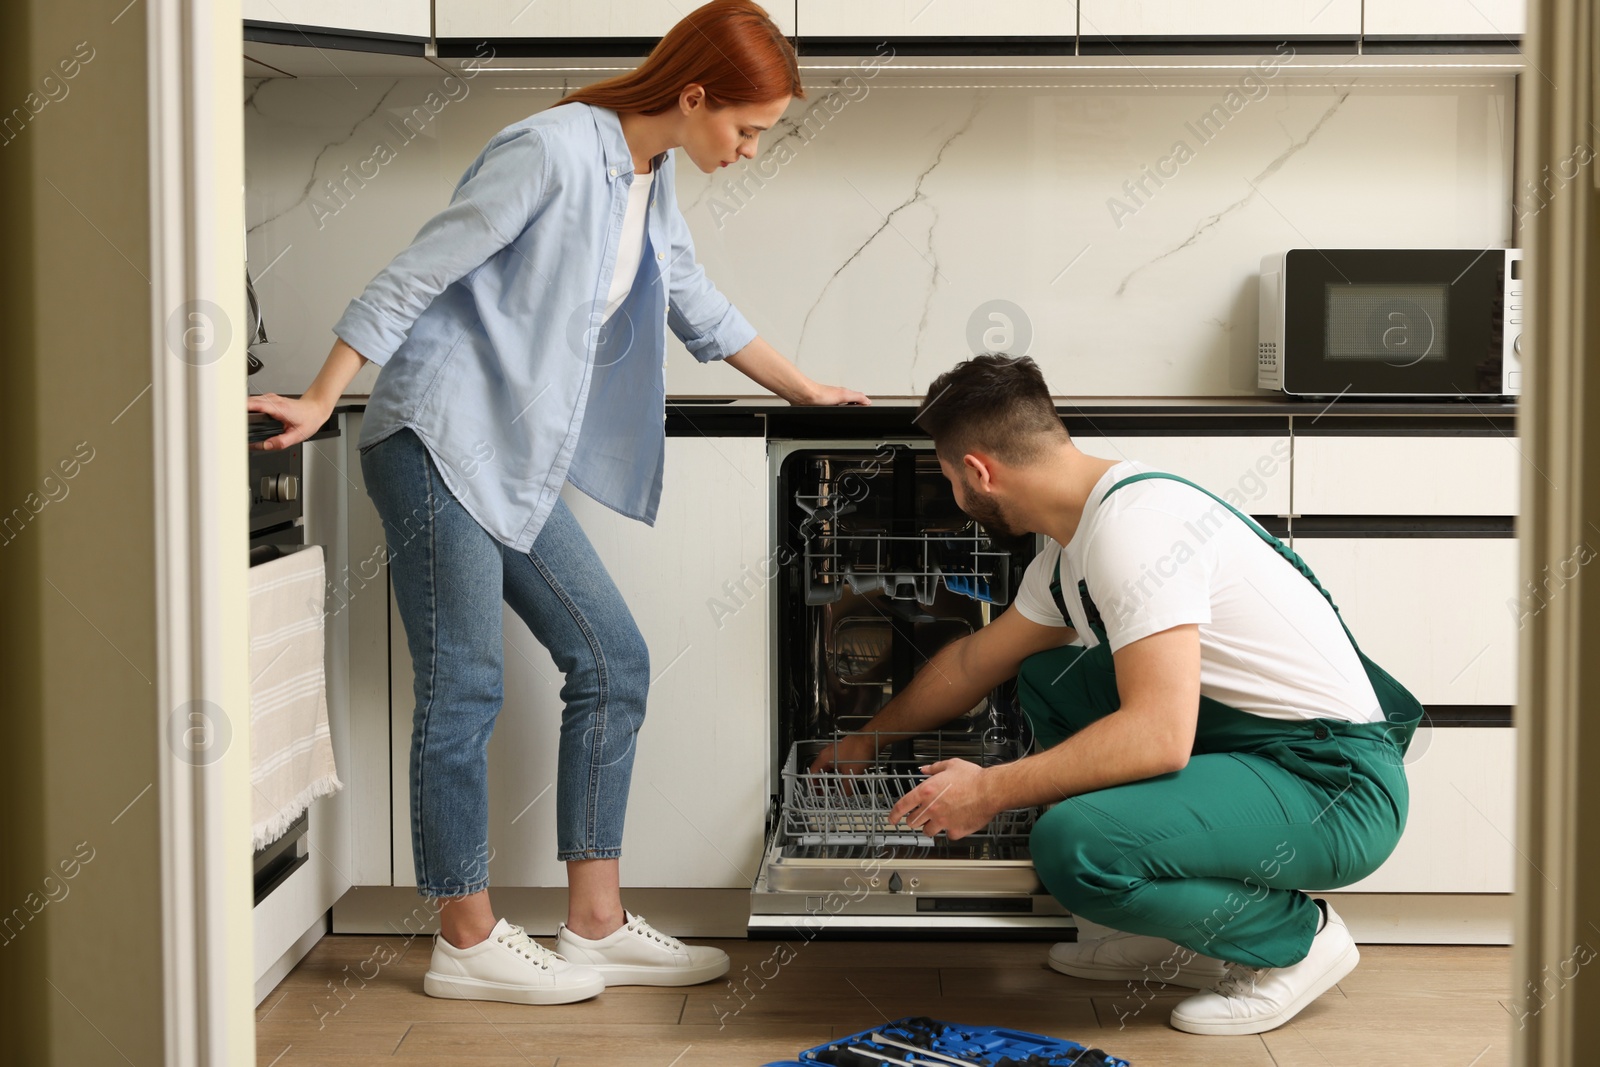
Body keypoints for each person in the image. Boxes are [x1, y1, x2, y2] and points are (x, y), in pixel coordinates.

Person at [249, 0, 867, 1007]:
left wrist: (803, 388)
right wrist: (322, 394)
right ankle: (464, 934)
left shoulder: (649, 174)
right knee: (465, 690)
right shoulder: (547, 148)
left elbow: (690, 297)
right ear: (696, 93)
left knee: (611, 658)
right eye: (748, 129)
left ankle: (592, 921)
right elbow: (417, 272)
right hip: (437, 440)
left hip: (515, 460)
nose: (751, 150)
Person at [811, 354, 1422, 1035]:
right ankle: (1174, 935)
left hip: (1334, 785)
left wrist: (989, 789)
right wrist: (867, 738)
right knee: (1050, 672)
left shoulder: (1136, 531)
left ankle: (1298, 939)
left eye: (951, 477)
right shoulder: (1075, 546)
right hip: (1268, 755)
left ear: (979, 472)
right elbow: (974, 661)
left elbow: (1159, 737)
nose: (955, 494)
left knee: (1074, 844)